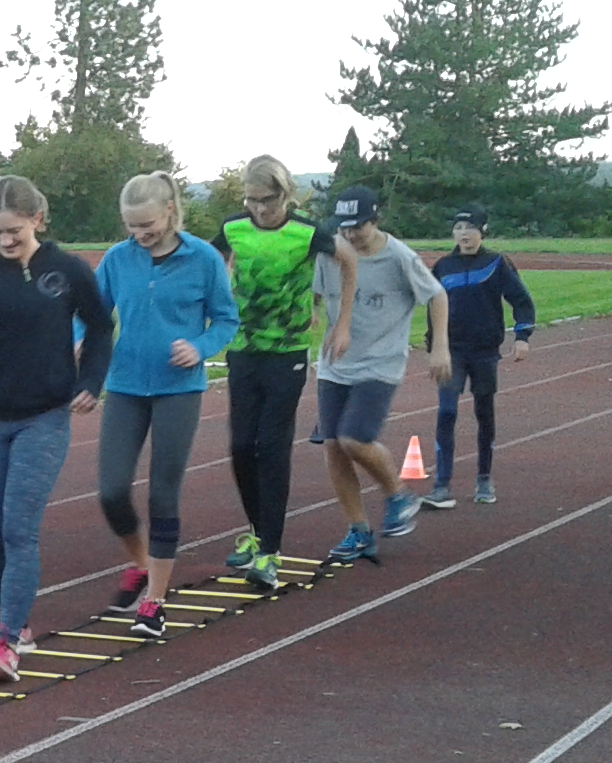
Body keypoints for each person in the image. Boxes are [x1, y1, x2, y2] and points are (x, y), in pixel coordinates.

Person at [0, 175, 114, 683]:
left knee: (18, 528)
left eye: (13, 231)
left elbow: (101, 326)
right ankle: (20, 622)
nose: (5, 242)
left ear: (37, 219)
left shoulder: (68, 269)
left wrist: (91, 381)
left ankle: (7, 638)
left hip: (44, 416)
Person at [92, 172, 240, 639]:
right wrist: (80, 342)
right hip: (126, 385)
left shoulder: (203, 260)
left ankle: (154, 601)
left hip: (179, 389)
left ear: (172, 211)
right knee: (112, 491)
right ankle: (140, 564)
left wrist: (200, 346)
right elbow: (92, 315)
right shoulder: (118, 259)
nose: (140, 235)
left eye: (148, 225)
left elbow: (226, 319)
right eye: (132, 226)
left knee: (161, 493)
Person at [216, 156, 357, 590]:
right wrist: (217, 296)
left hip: (287, 350)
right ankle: (257, 534)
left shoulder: (307, 232)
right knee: (241, 446)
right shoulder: (233, 228)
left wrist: (341, 321)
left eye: (267, 200)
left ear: (284, 194)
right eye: (252, 200)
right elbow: (211, 263)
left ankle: (270, 552)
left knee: (272, 446)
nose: (259, 209)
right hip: (242, 347)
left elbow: (348, 261)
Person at [315, 186, 449, 563]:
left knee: (354, 438)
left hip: (380, 362)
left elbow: (436, 296)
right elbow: (317, 291)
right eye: (344, 228)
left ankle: (398, 494)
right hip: (334, 362)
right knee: (333, 445)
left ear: (375, 221)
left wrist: (440, 347)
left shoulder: (398, 257)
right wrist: (310, 310)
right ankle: (358, 531)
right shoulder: (332, 253)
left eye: (358, 227)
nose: (350, 235)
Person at [425, 205, 535, 507]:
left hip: (485, 352)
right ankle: (441, 484)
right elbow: (432, 310)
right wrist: (435, 346)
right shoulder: (443, 266)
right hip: (453, 351)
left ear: (482, 231)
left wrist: (522, 336)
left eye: (470, 228)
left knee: (483, 413)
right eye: (459, 228)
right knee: (446, 412)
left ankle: (484, 478)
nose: (464, 234)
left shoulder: (496, 263)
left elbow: (522, 301)